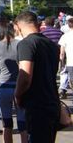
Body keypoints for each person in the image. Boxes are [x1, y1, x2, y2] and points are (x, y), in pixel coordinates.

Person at [14, 11, 60, 143]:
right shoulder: (52, 45)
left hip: (37, 106)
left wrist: (17, 95)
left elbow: (25, 76)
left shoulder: (26, 44)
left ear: (18, 26)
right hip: (52, 103)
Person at [0, 19, 27, 143]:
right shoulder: (20, 44)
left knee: (7, 123)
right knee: (23, 123)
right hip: (20, 86)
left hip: (3, 87)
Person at [59, 17, 73, 98]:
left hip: (70, 62)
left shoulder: (65, 36)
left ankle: (63, 90)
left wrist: (62, 63)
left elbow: (62, 53)